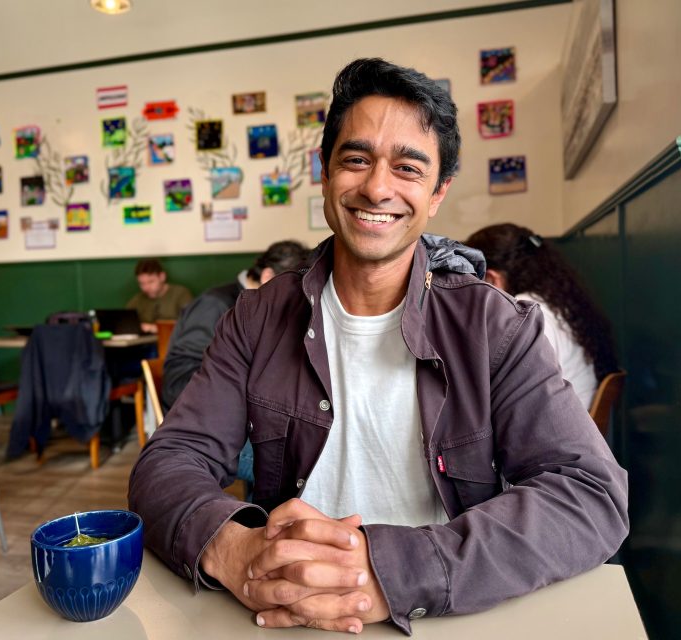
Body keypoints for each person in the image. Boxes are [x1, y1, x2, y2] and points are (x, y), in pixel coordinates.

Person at [129, 58, 628, 635]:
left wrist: (393, 571)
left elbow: (589, 495)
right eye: (356, 159)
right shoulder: (257, 316)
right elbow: (168, 461)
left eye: (408, 168)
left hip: (443, 614)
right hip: (280, 615)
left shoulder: (496, 326)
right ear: (324, 172)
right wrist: (230, 546)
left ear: (437, 193)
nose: (377, 187)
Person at [466, 223, 618, 409]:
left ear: (492, 279)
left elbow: (520, 403)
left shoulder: (525, 313)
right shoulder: (558, 304)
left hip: (559, 422)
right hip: (575, 418)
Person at [161, 240, 311, 412]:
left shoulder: (262, 308)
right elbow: (178, 381)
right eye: (294, 293)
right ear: (268, 276)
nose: (296, 302)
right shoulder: (214, 304)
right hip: (201, 413)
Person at [126, 258, 193, 333]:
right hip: (144, 340)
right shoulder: (137, 300)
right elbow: (126, 324)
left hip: (172, 338)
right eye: (142, 283)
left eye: (151, 282)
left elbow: (190, 323)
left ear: (162, 277)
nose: (146, 288)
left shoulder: (180, 294)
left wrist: (154, 328)